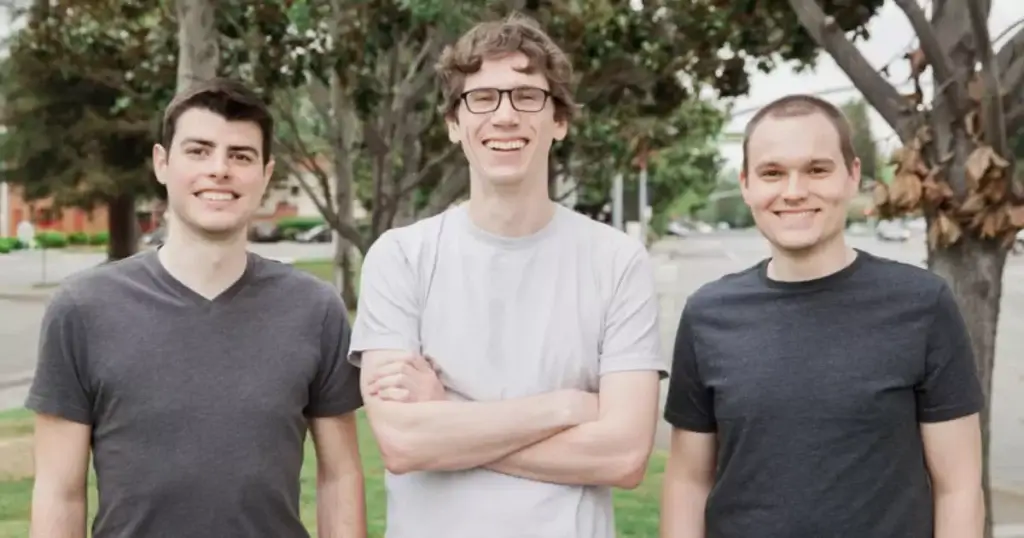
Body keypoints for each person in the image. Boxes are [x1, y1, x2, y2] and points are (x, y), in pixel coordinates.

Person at [347, 13, 665, 538]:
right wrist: (568, 407)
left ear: (558, 119)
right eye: (482, 98)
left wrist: (447, 420)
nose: (505, 116)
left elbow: (626, 454)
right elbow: (403, 444)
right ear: (454, 124)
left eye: (526, 96)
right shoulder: (400, 257)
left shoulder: (617, 261)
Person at [25, 78, 367, 538]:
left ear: (266, 175)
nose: (219, 170)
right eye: (199, 151)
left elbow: (340, 476)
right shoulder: (82, 309)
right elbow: (58, 491)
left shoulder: (315, 309)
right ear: (162, 164)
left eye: (240, 156)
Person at [660, 94, 985, 537]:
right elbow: (687, 481)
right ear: (746, 185)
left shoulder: (922, 305)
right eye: (772, 173)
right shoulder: (707, 315)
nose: (794, 192)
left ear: (852, 176)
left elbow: (959, 486)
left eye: (817, 169)